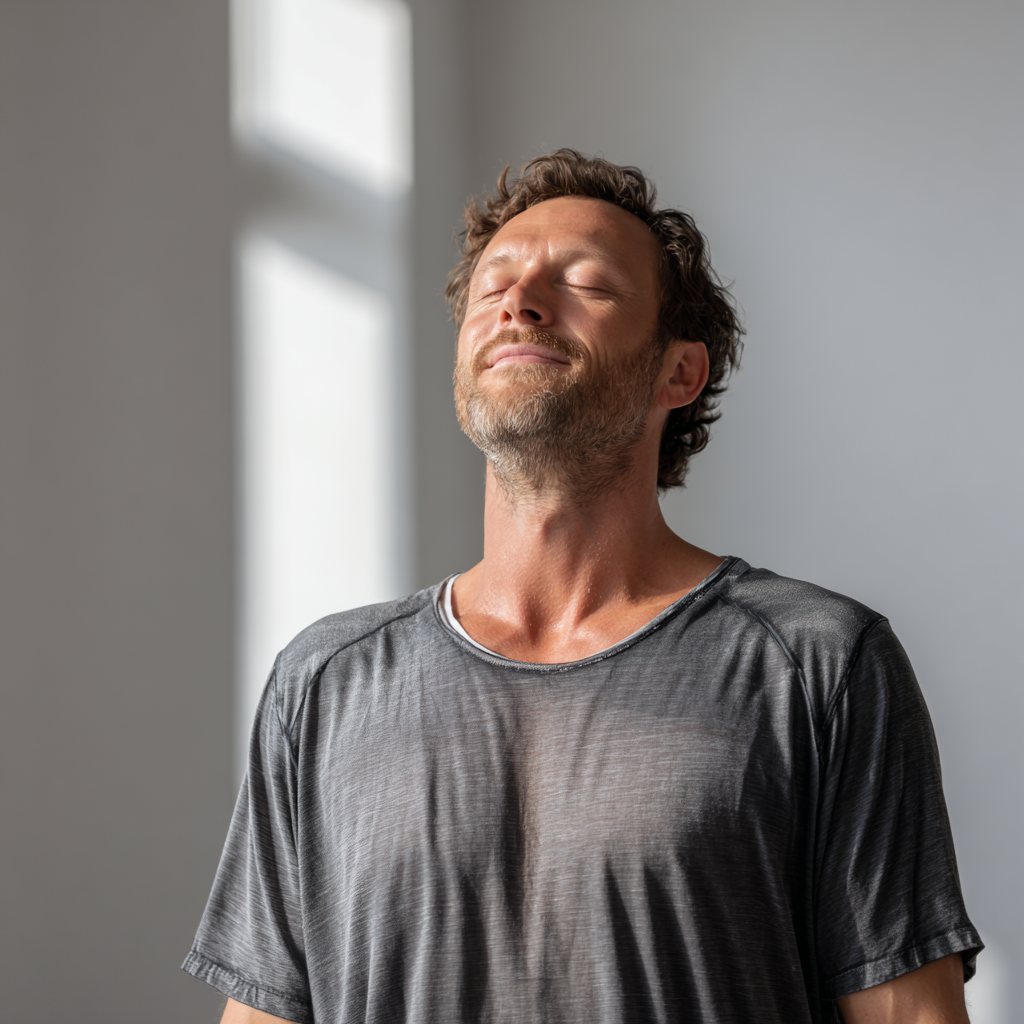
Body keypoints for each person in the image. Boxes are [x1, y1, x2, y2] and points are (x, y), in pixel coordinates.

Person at [184, 150, 981, 1024]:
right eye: (495, 284)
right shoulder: (325, 680)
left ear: (679, 373)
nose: (520, 302)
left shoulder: (817, 665)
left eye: (587, 284)